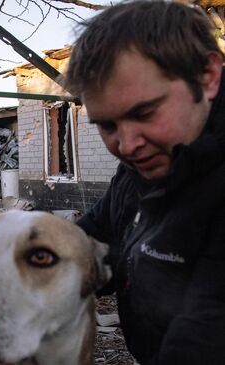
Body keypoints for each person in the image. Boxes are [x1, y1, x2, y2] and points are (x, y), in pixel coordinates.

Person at [63, 1, 225, 364]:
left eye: (144, 113)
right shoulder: (144, 166)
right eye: (107, 125)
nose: (127, 145)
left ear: (207, 76)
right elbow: (92, 242)